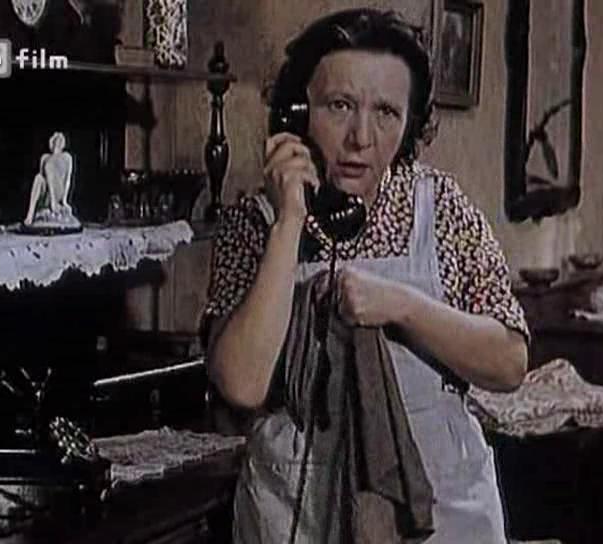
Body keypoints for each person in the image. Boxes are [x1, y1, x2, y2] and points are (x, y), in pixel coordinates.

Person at [201, 9, 529, 543]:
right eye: (339, 106)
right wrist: (288, 221)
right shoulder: (253, 223)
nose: (361, 137)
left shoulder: (442, 207)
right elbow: (241, 383)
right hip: (296, 522)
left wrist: (404, 306)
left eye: (386, 112)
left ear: (410, 122)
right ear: (296, 113)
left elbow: (509, 362)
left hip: (442, 519)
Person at [24, 132, 74, 225]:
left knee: (49, 166)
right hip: (46, 192)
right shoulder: (44, 157)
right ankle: (30, 214)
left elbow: (68, 179)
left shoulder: (67, 157)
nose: (57, 143)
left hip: (58, 189)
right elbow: (43, 177)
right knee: (38, 177)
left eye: (60, 141)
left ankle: (54, 202)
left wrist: (64, 200)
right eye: (55, 141)